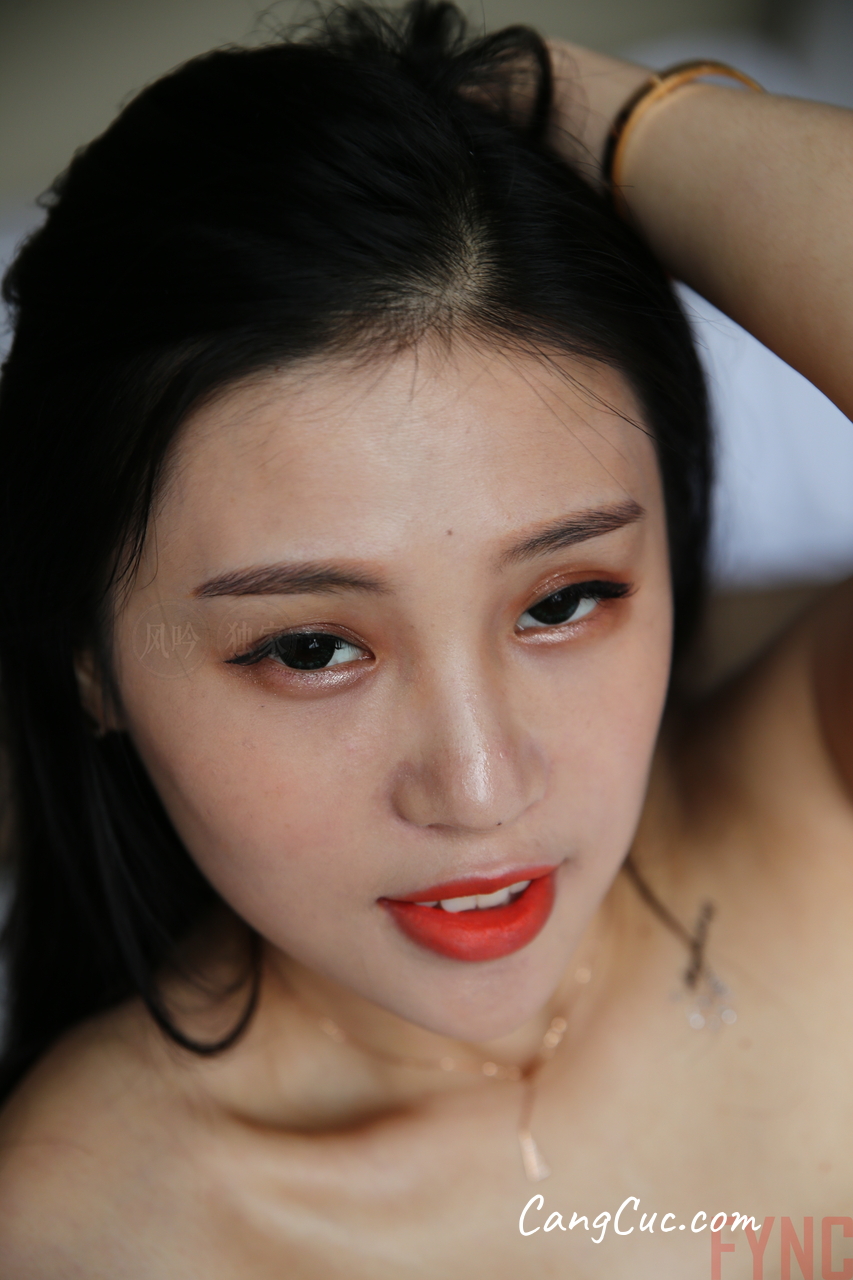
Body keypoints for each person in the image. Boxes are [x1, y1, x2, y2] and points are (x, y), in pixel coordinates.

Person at [0, 2, 851, 1274]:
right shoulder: (98, 1230)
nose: (480, 786)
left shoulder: (822, 806)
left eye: (561, 601)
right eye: (308, 648)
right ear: (90, 659)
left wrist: (572, 106)